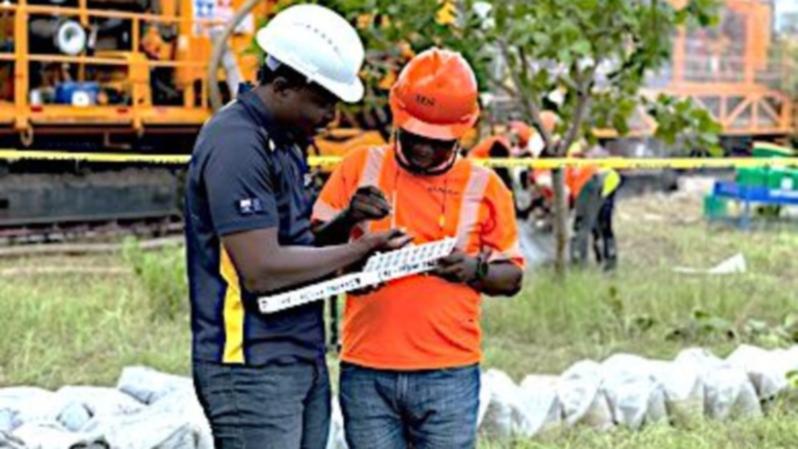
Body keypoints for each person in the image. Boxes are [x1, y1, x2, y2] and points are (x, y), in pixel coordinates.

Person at [184, 5, 408, 449]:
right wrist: (359, 251)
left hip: (298, 352)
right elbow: (262, 269)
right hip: (251, 363)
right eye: (322, 102)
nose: (331, 116)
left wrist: (348, 222)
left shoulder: (287, 142)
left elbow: (295, 249)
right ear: (283, 88)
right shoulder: (236, 144)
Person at [312, 48, 525, 449]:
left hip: (448, 374)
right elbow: (310, 252)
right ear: (397, 120)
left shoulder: (486, 187)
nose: (424, 150)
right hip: (367, 370)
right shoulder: (359, 168)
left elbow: (512, 277)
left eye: (438, 143)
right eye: (414, 138)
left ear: (462, 132)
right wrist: (347, 224)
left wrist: (473, 271)